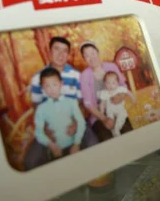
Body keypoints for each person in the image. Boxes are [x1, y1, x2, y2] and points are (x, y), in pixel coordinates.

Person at [23, 37, 98, 170]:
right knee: (31, 161)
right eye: (56, 49)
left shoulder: (76, 75)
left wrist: (76, 124)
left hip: (75, 120)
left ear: (68, 55)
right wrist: (45, 129)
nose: (60, 54)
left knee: (93, 145)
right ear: (49, 51)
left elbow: (81, 104)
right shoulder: (37, 78)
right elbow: (36, 107)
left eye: (65, 51)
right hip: (50, 125)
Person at [80, 41, 133, 142]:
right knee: (107, 139)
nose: (91, 57)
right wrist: (104, 119)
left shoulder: (111, 66)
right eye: (86, 56)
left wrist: (120, 97)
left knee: (128, 133)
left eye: (93, 53)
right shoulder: (84, 76)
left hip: (117, 109)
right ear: (84, 59)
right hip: (99, 115)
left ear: (98, 52)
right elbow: (88, 104)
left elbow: (123, 85)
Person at [33, 68, 86, 163]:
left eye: (54, 84)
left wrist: (77, 143)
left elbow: (81, 122)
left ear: (61, 84)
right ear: (42, 88)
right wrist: (52, 146)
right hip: (55, 149)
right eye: (47, 86)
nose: (52, 89)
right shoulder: (41, 109)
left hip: (74, 145)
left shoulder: (72, 102)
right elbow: (38, 132)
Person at [97, 71, 136, 137]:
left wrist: (133, 99)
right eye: (108, 83)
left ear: (117, 83)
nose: (111, 85)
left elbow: (128, 92)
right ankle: (113, 130)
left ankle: (117, 129)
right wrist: (102, 112)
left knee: (122, 117)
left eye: (113, 83)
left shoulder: (119, 89)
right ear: (105, 84)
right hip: (110, 110)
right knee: (110, 119)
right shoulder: (105, 92)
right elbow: (102, 104)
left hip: (120, 109)